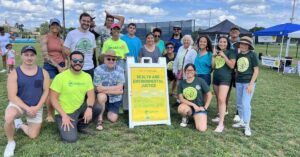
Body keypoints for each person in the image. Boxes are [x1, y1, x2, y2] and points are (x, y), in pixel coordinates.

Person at [4, 46, 50, 157]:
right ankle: (10, 142)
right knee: (9, 116)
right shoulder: (14, 73)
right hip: (19, 105)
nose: (29, 58)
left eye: (32, 55)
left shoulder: (43, 72)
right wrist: (27, 108)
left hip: (36, 107)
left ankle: (20, 124)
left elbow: (46, 92)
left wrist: (37, 107)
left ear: (35, 56)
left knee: (33, 135)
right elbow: (12, 96)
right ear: (21, 55)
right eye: (26, 55)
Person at [50, 51, 101, 143]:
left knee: (97, 107)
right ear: (70, 61)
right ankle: (65, 123)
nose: (78, 63)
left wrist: (89, 108)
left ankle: (79, 126)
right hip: (64, 112)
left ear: (83, 62)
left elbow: (91, 95)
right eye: (75, 60)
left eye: (80, 61)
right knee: (70, 139)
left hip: (79, 108)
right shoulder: (60, 77)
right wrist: (64, 116)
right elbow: (53, 99)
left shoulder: (87, 77)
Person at [41, 18, 68, 122]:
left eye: (57, 25)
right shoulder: (45, 38)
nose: (55, 27)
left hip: (62, 65)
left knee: (62, 89)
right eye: (53, 25)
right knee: (50, 90)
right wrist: (58, 67)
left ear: (59, 27)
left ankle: (61, 109)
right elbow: (45, 56)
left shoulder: (61, 40)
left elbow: (65, 54)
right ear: (50, 26)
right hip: (50, 66)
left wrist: (66, 65)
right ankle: (49, 114)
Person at [232, 36, 259, 136]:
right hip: (239, 82)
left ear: (249, 46)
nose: (243, 46)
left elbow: (256, 70)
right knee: (239, 103)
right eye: (241, 44)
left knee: (245, 103)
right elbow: (237, 69)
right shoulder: (238, 55)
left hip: (248, 82)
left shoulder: (252, 55)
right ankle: (242, 121)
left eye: (245, 44)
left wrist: (251, 84)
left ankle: (247, 125)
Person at [94, 50, 125, 130]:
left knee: (113, 119)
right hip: (105, 95)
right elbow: (97, 89)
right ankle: (100, 119)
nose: (111, 61)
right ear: (104, 59)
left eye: (113, 59)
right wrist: (116, 89)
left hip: (115, 98)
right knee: (101, 96)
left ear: (116, 60)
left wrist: (103, 88)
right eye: (108, 59)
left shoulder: (120, 70)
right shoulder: (98, 69)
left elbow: (120, 89)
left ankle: (106, 108)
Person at [211, 36, 236, 133]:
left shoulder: (231, 52)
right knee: (218, 99)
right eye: (220, 42)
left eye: (224, 42)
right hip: (216, 78)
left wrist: (224, 55)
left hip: (225, 79)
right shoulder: (216, 53)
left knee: (222, 99)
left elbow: (232, 65)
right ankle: (219, 116)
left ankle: (221, 124)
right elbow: (213, 67)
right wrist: (213, 57)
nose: (222, 43)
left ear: (227, 43)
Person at [177, 63, 212, 131]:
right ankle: (185, 117)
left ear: (195, 71)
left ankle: (196, 117)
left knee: (202, 129)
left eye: (191, 70)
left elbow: (209, 95)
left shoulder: (200, 80)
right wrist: (193, 105)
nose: (189, 71)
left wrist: (205, 107)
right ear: (185, 71)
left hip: (199, 108)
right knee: (181, 108)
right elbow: (181, 99)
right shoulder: (181, 83)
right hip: (188, 107)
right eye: (187, 70)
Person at [64, 12, 96, 78]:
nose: (86, 23)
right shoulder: (71, 34)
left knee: (89, 88)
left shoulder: (92, 35)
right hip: (76, 67)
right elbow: (65, 50)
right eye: (84, 20)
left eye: (88, 21)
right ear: (79, 20)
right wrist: (73, 60)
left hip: (90, 68)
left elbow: (93, 50)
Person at [228, 26, 241, 123]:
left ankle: (238, 113)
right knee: (226, 91)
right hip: (227, 70)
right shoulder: (226, 42)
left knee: (239, 93)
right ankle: (225, 109)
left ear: (239, 33)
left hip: (238, 71)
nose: (234, 33)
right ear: (230, 33)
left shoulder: (242, 43)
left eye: (236, 31)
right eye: (232, 31)